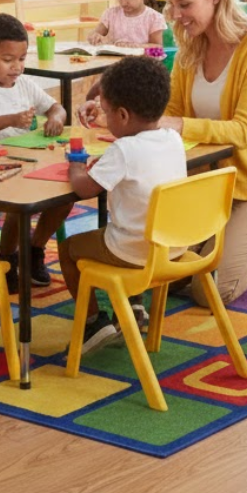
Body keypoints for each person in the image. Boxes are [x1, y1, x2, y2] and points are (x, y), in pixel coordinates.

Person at [83, 0, 247, 306]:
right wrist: (112, 108)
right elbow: (167, 109)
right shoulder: (190, 47)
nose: (177, 16)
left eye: (185, 5)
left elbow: (244, 131)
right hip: (207, 188)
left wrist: (179, 124)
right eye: (171, 6)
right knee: (169, 278)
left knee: (212, 291)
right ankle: (245, 233)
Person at [60, 56, 187, 354]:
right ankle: (134, 306)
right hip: (173, 246)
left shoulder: (124, 148)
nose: (105, 118)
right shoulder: (172, 138)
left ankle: (93, 322)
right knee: (123, 223)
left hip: (135, 252)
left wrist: (75, 167)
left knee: (69, 250)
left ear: (124, 116)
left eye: (106, 113)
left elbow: (84, 189)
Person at [0, 13, 71, 288]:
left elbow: (56, 107)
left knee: (68, 192)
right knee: (20, 205)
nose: (17, 67)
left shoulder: (24, 85)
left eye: (21, 59)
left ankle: (34, 249)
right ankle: (7, 256)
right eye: (8, 60)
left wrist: (56, 117)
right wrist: (10, 119)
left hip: (26, 162)